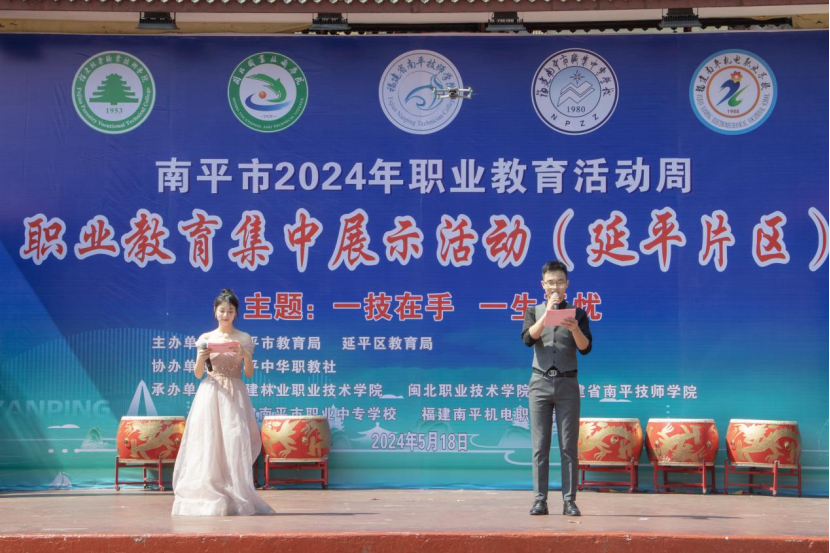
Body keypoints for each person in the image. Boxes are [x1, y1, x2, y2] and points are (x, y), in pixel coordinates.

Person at [172, 289, 275, 516]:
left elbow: (249, 373)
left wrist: (245, 355)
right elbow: (198, 373)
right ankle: (210, 492)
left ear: (236, 313)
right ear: (215, 312)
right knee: (209, 441)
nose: (225, 315)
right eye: (222, 311)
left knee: (234, 439)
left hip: (235, 391)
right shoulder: (205, 338)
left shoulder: (244, 338)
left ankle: (235, 493)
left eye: (230, 311)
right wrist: (202, 358)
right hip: (210, 392)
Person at [521, 261, 592, 517]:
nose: (555, 287)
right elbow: (528, 339)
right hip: (540, 383)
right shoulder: (533, 311)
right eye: (551, 282)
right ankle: (540, 500)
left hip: (567, 384)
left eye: (560, 282)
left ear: (567, 284)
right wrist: (547, 313)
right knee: (540, 446)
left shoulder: (578, 313)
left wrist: (574, 329)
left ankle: (569, 500)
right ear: (543, 285)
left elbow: (585, 348)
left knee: (568, 446)